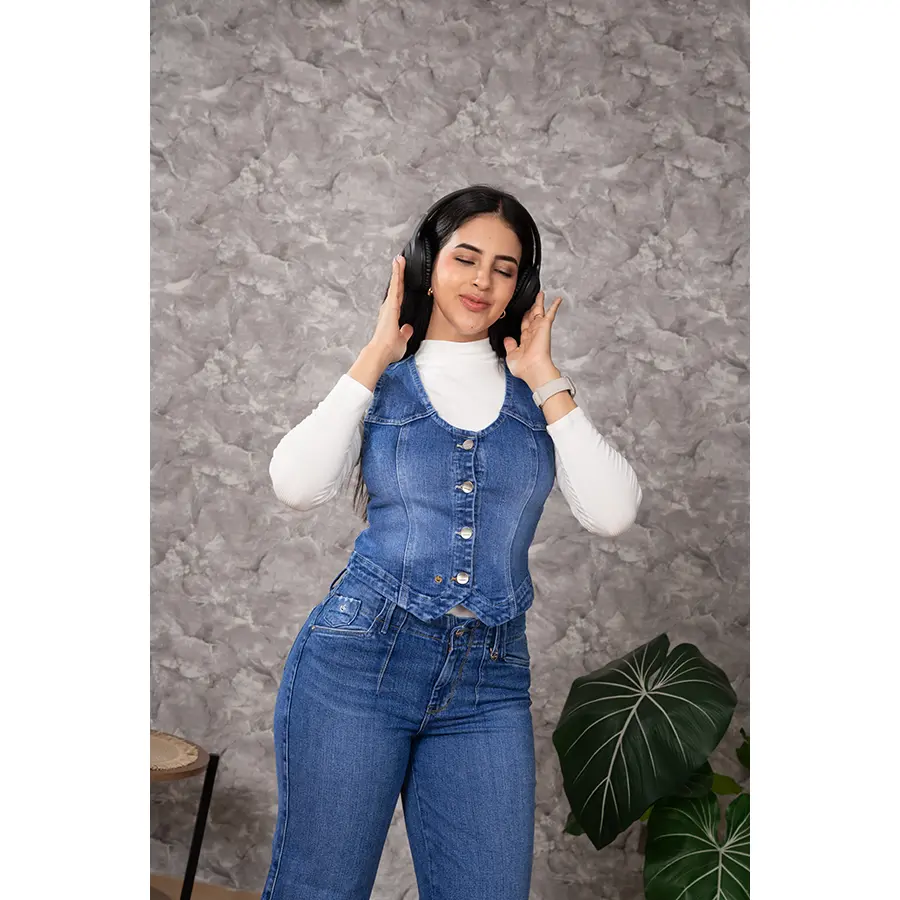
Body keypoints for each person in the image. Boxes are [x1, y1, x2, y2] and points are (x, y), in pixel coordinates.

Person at [262, 185, 643, 900]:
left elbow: (613, 512)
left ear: (519, 286)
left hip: (488, 682)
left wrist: (545, 375)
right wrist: (376, 352)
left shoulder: (537, 396)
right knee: (321, 889)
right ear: (427, 265)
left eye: (504, 268)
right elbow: (295, 484)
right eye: (466, 258)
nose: (482, 281)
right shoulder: (385, 380)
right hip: (358, 665)